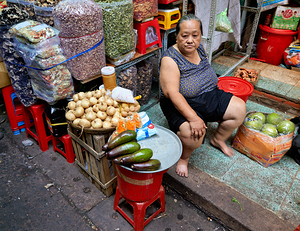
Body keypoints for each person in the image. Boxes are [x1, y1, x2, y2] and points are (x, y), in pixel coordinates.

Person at [159, 14, 246, 178]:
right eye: (184, 36)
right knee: (194, 136)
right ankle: (184, 158)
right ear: (176, 37)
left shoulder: (200, 48)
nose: (190, 40)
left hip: (208, 94)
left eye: (195, 35)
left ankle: (218, 139)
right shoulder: (170, 59)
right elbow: (172, 93)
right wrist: (193, 118)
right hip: (180, 101)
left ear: (200, 35)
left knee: (239, 109)